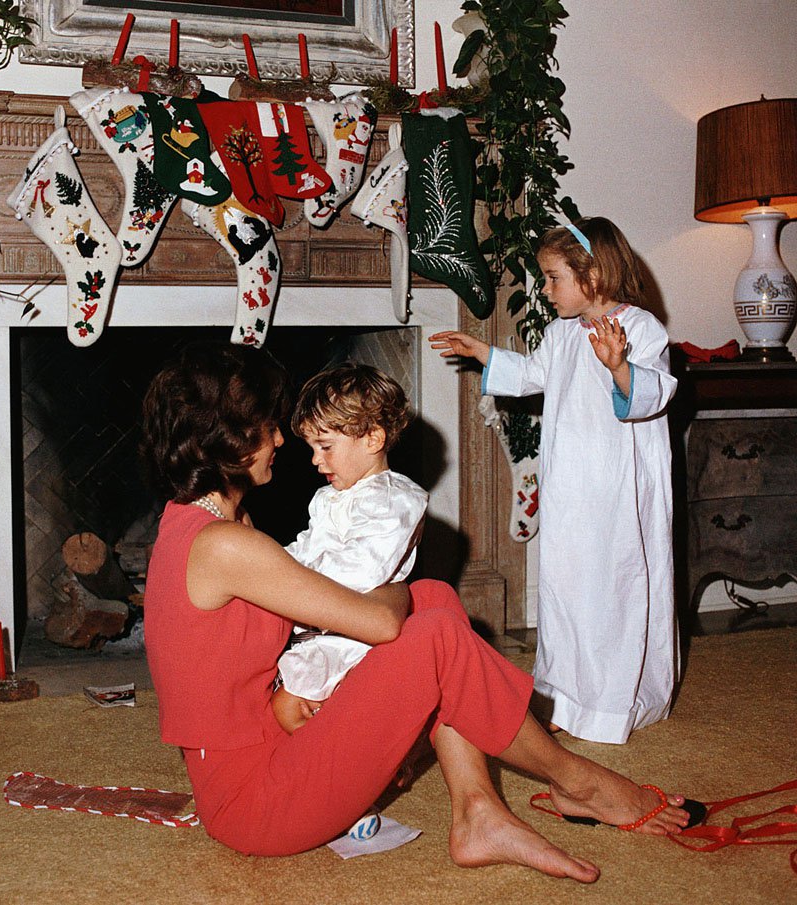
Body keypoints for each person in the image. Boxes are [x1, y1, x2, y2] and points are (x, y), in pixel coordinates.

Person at [140, 340, 696, 881]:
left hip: (277, 745)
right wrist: (397, 577)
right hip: (256, 802)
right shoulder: (226, 547)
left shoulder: (206, 526)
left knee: (435, 600)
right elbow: (381, 622)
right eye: (268, 426)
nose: (281, 440)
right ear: (233, 442)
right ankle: (576, 780)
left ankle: (478, 812)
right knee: (428, 624)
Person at [429, 217, 678, 745]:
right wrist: (484, 354)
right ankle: (564, 694)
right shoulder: (564, 332)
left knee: (612, 589)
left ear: (593, 274)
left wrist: (619, 368)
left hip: (616, 492)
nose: (545, 290)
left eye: (552, 278)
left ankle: (610, 703)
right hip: (570, 489)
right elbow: (533, 375)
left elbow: (654, 394)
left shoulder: (641, 329)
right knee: (566, 588)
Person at [271, 363, 428, 735]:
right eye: (311, 447)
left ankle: (355, 767)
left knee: (289, 708)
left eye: (325, 447)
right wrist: (271, 566)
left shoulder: (395, 500)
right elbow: (307, 546)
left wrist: (292, 586)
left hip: (356, 638)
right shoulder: (328, 498)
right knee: (278, 706)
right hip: (321, 629)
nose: (314, 459)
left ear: (373, 439)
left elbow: (362, 570)